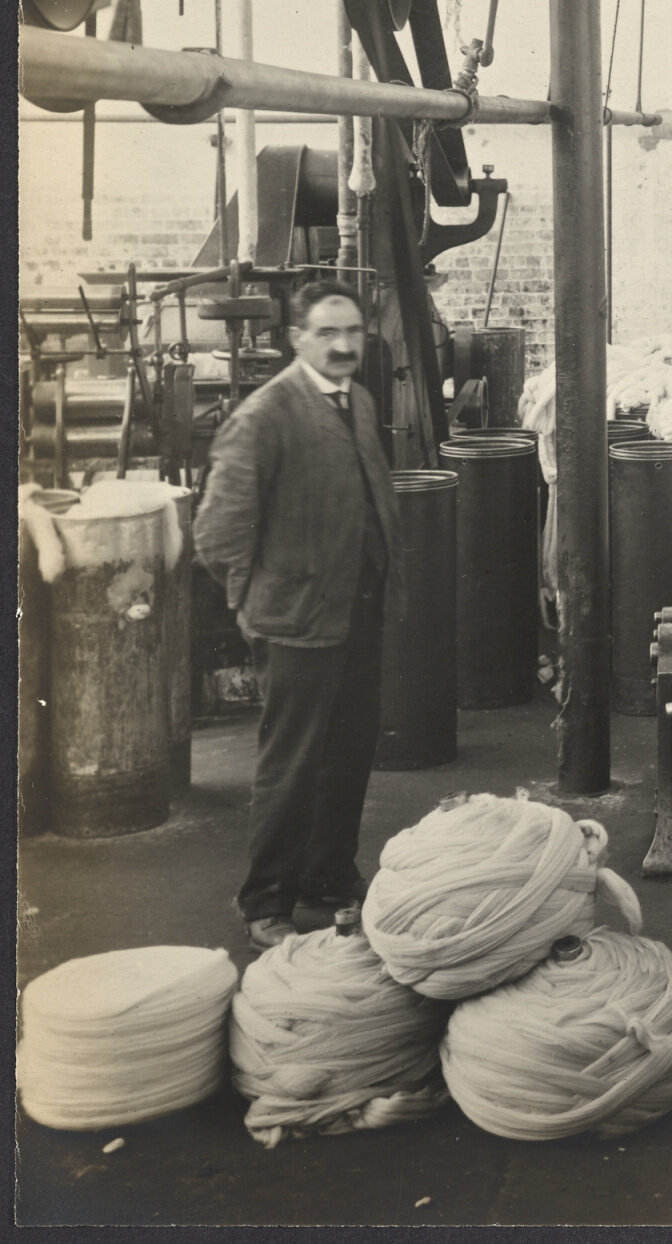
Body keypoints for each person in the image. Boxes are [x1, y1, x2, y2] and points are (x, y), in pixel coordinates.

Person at [193, 281, 399, 949]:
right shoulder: (265, 415)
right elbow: (218, 534)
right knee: (293, 762)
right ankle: (264, 903)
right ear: (297, 338)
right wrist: (252, 607)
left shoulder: (358, 401)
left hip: (357, 608)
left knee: (348, 752)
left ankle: (329, 876)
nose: (343, 346)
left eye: (354, 333)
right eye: (327, 333)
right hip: (296, 621)